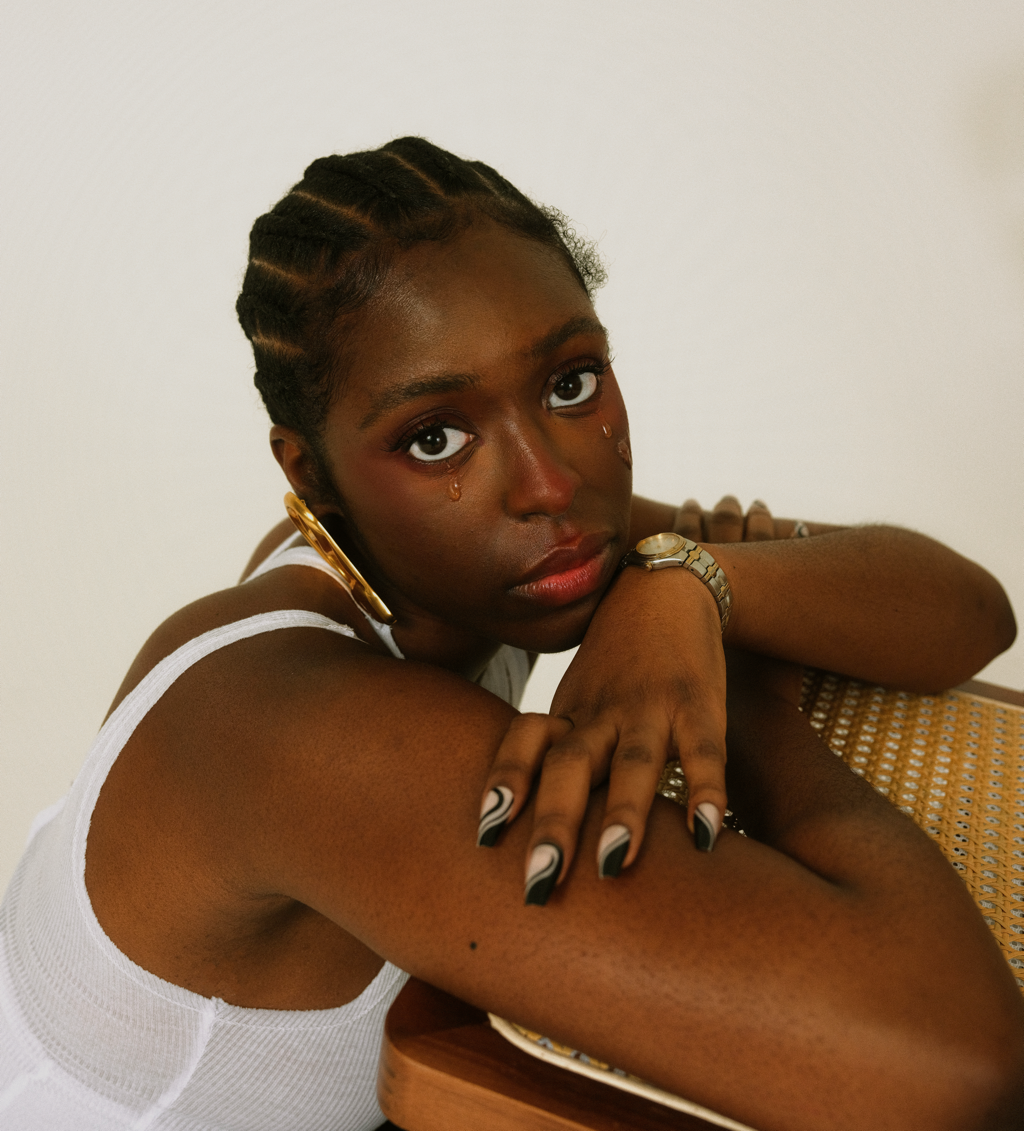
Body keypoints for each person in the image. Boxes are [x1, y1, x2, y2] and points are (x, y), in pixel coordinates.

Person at [1, 137, 1021, 1131]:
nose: (549, 483)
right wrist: (743, 685)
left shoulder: (472, 555)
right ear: (312, 474)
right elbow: (951, 1077)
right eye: (435, 437)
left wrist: (689, 590)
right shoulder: (296, 724)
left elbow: (968, 610)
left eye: (570, 382)